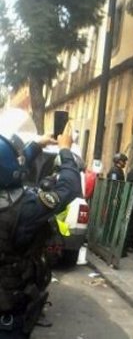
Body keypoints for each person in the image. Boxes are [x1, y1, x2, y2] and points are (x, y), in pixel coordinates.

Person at [0, 122, 82, 338]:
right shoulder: (23, 207)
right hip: (7, 308)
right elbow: (70, 186)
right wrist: (65, 150)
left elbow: (8, 166)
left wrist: (36, 145)